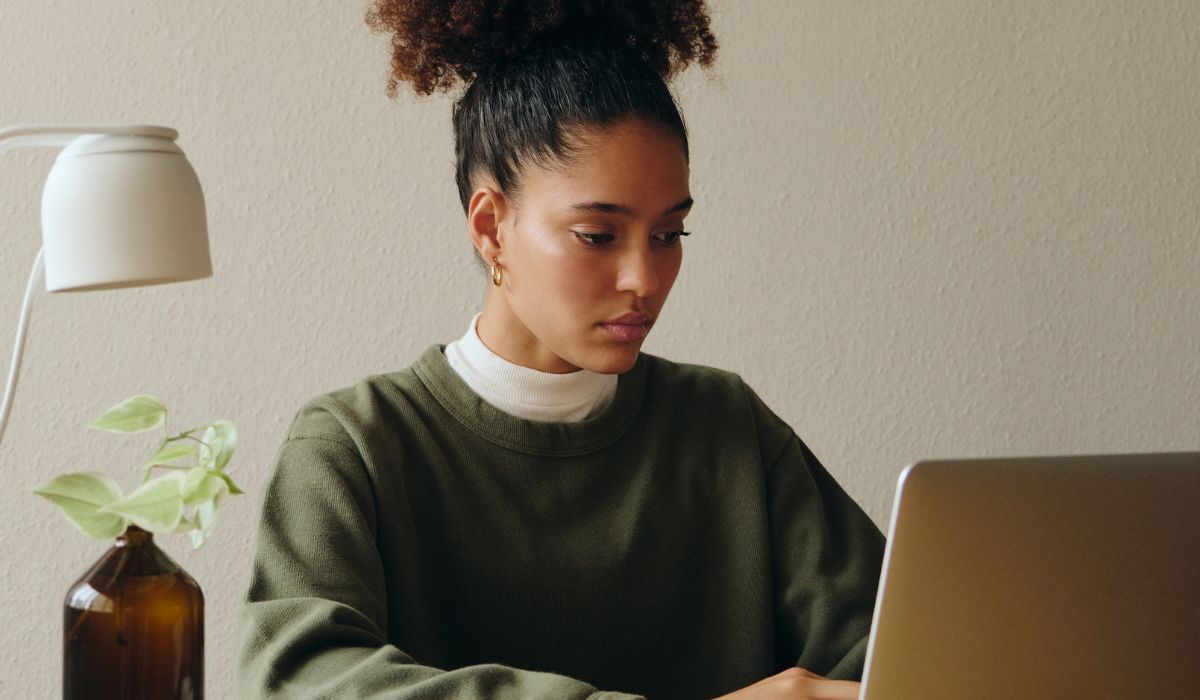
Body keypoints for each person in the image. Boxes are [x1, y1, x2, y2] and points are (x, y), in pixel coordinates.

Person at [237, 2, 885, 698]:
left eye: (670, 234)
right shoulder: (355, 445)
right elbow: (298, 680)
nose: (645, 278)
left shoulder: (727, 426)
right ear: (490, 227)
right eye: (599, 235)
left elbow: (904, 645)